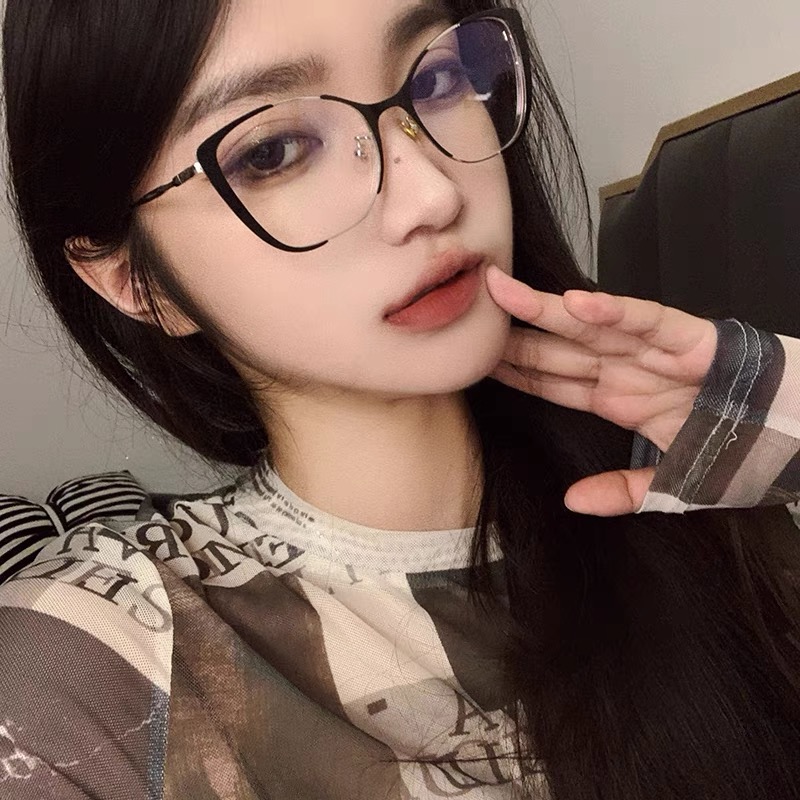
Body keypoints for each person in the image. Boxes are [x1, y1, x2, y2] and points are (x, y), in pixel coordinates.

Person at [0, 1, 798, 798]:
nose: (432, 196)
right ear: (132, 282)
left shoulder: (707, 479)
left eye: (437, 79)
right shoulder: (88, 676)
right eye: (275, 150)